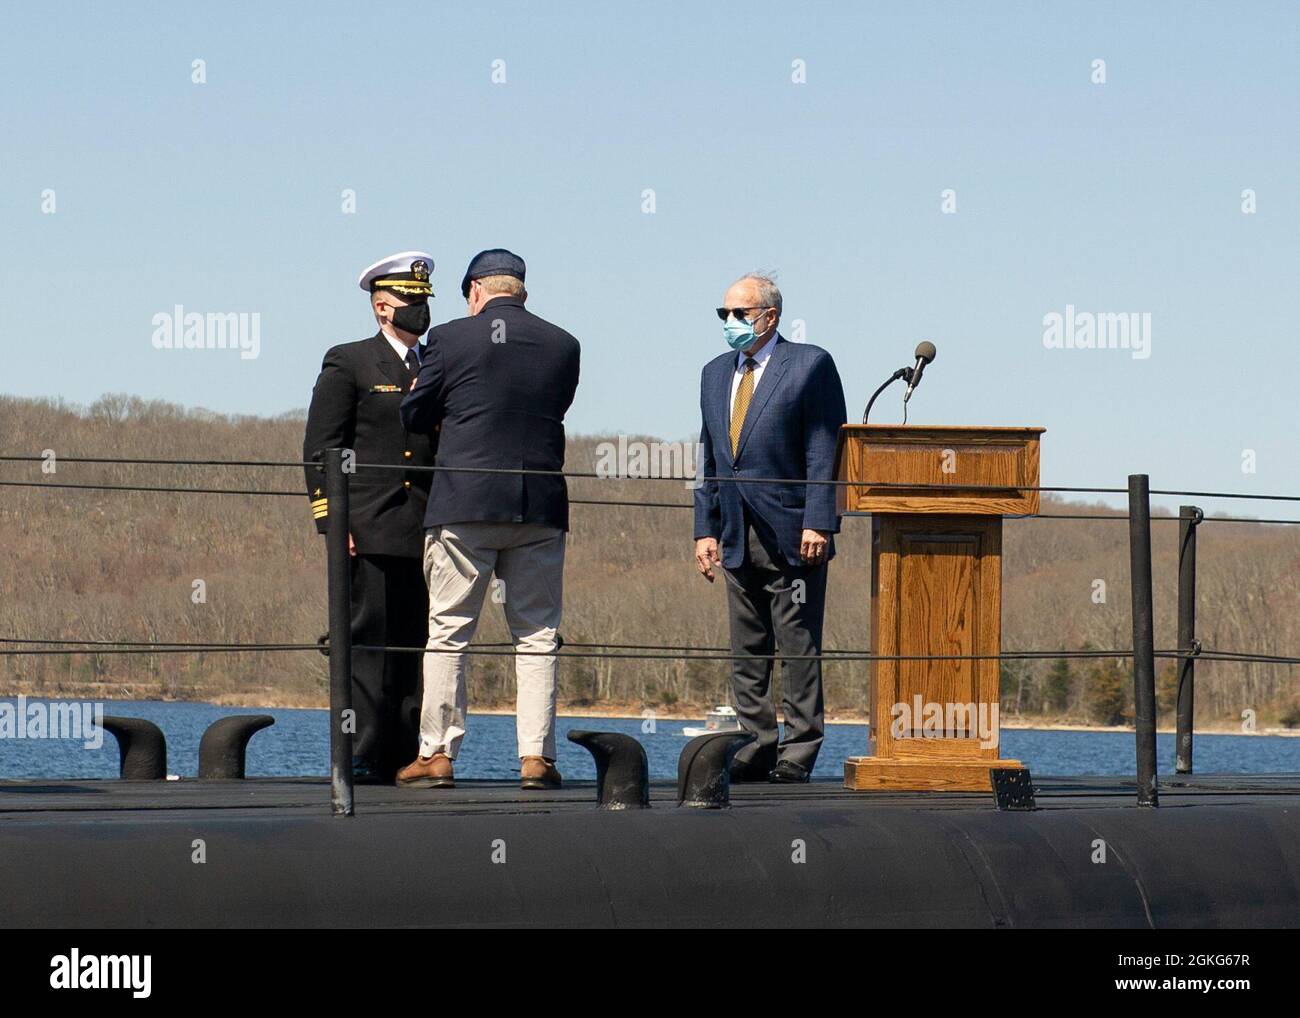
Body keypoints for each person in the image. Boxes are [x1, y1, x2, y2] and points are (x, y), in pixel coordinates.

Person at [396, 249, 580, 790]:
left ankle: (437, 754)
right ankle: (535, 760)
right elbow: (554, 408)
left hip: (465, 503)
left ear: (476, 290)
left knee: (449, 631)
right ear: (521, 290)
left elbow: (414, 413)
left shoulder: (452, 339)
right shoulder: (563, 344)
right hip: (538, 504)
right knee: (538, 635)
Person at [692, 273, 847, 783]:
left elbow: (825, 451)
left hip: (793, 532)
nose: (731, 323)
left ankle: (798, 754)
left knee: (799, 648)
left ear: (770, 316)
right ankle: (755, 745)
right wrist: (704, 529)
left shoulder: (810, 365)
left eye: (740, 314)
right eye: (724, 315)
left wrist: (819, 521)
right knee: (747, 651)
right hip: (736, 531)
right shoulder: (714, 373)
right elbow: (711, 458)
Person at [303, 251, 438, 783]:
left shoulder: (436, 366)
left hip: (427, 527)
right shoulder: (350, 362)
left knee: (415, 647)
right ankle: (360, 751)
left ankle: (405, 751)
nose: (421, 308)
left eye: (425, 300)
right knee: (367, 645)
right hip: (370, 525)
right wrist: (335, 524)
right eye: (411, 300)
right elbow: (321, 449)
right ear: (383, 307)